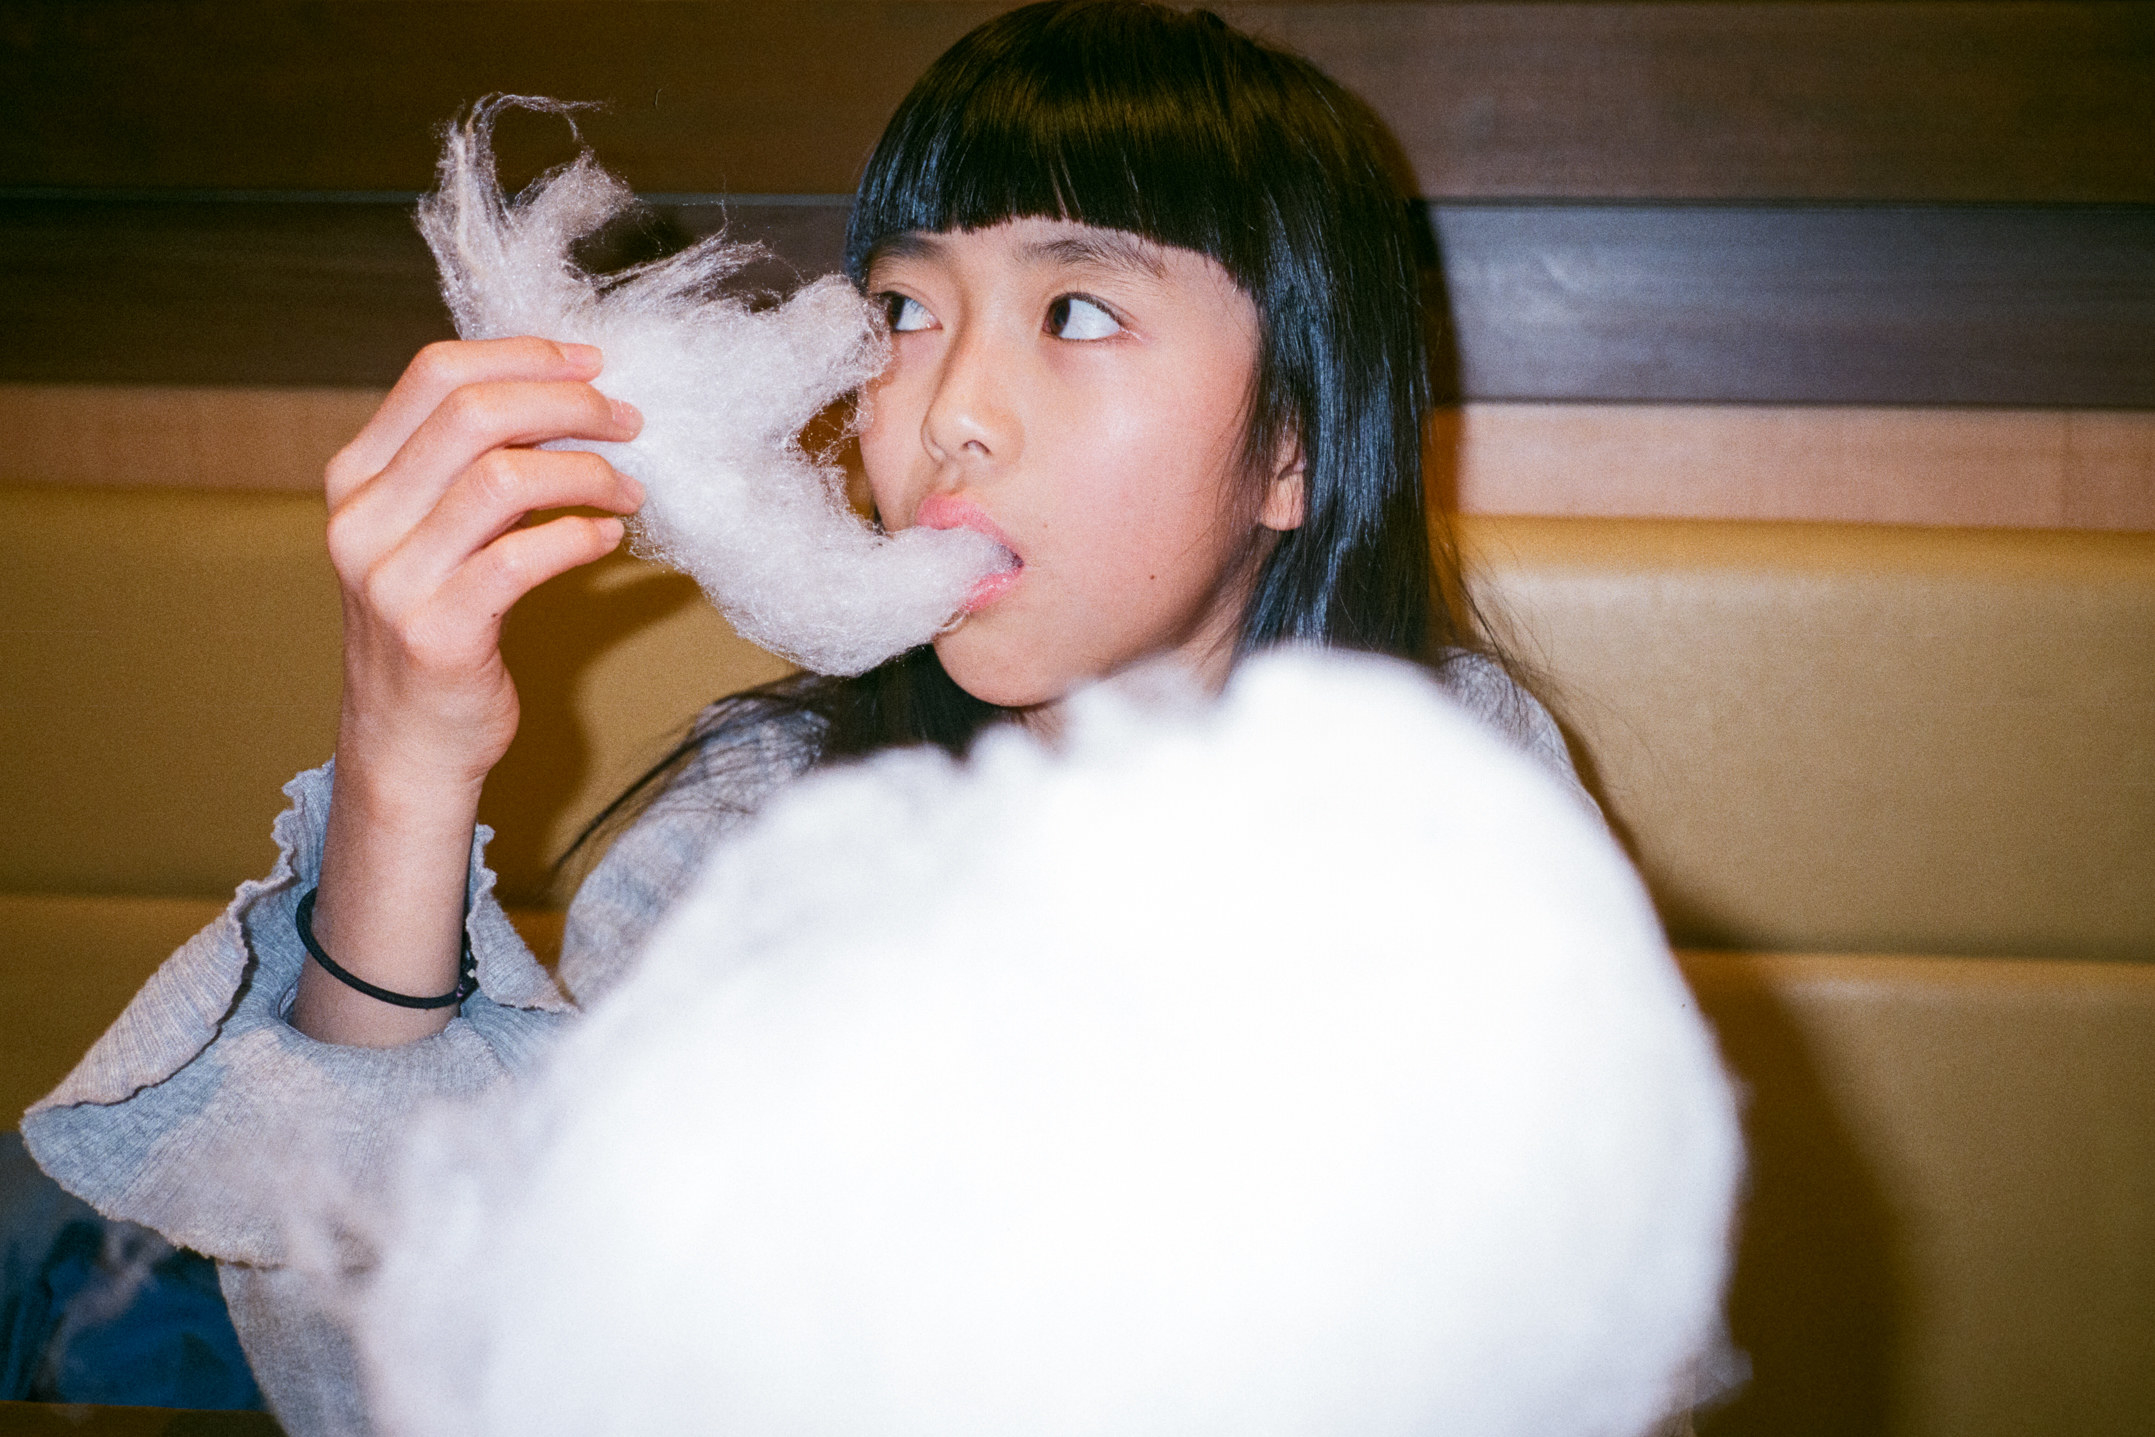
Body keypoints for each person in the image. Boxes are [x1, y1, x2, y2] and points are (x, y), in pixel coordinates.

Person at [18, 2, 1582, 1428]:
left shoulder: (1443, 816)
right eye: (906, 307)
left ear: (1292, 450)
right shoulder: (771, 814)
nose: (945, 409)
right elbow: (424, 1360)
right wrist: (406, 754)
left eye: (1080, 312)